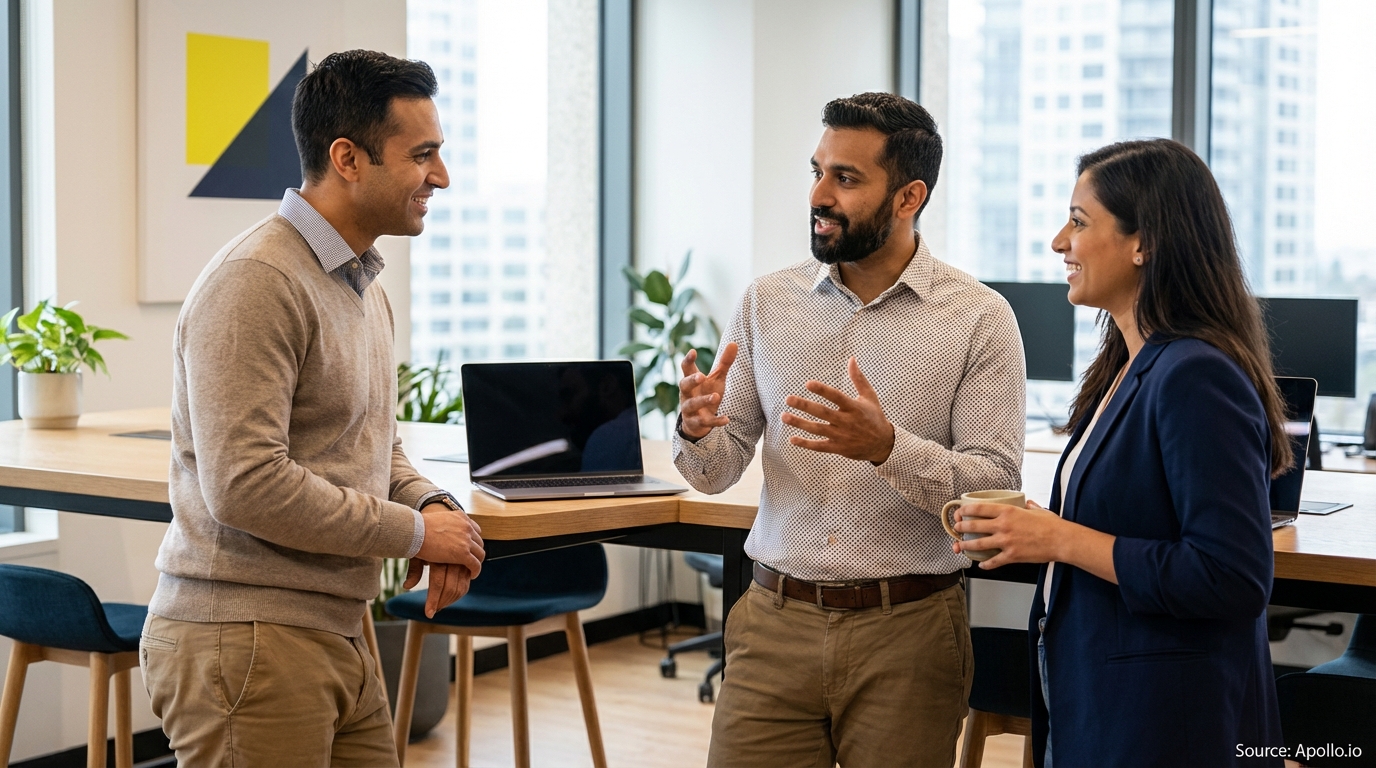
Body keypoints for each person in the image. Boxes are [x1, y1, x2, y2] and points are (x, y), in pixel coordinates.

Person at [140, 50, 486, 766]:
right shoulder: (258, 280)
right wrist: (416, 538)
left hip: (337, 628)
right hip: (249, 637)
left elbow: (372, 445)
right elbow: (246, 485)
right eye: (423, 156)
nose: (441, 178)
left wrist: (432, 506)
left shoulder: (362, 286)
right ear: (348, 158)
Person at [675, 92, 1026, 767]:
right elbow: (716, 472)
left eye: (846, 178)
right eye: (817, 171)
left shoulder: (979, 318)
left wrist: (889, 449)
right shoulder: (766, 302)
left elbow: (993, 486)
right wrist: (696, 431)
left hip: (911, 632)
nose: (820, 194)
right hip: (773, 624)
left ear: (908, 197)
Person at [953, 139, 1287, 767]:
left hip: (1165, 724)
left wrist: (1058, 539)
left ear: (1145, 242)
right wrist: (1030, 531)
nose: (1059, 242)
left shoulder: (1194, 373)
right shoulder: (1129, 365)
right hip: (1103, 704)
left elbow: (1233, 577)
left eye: (1078, 222)